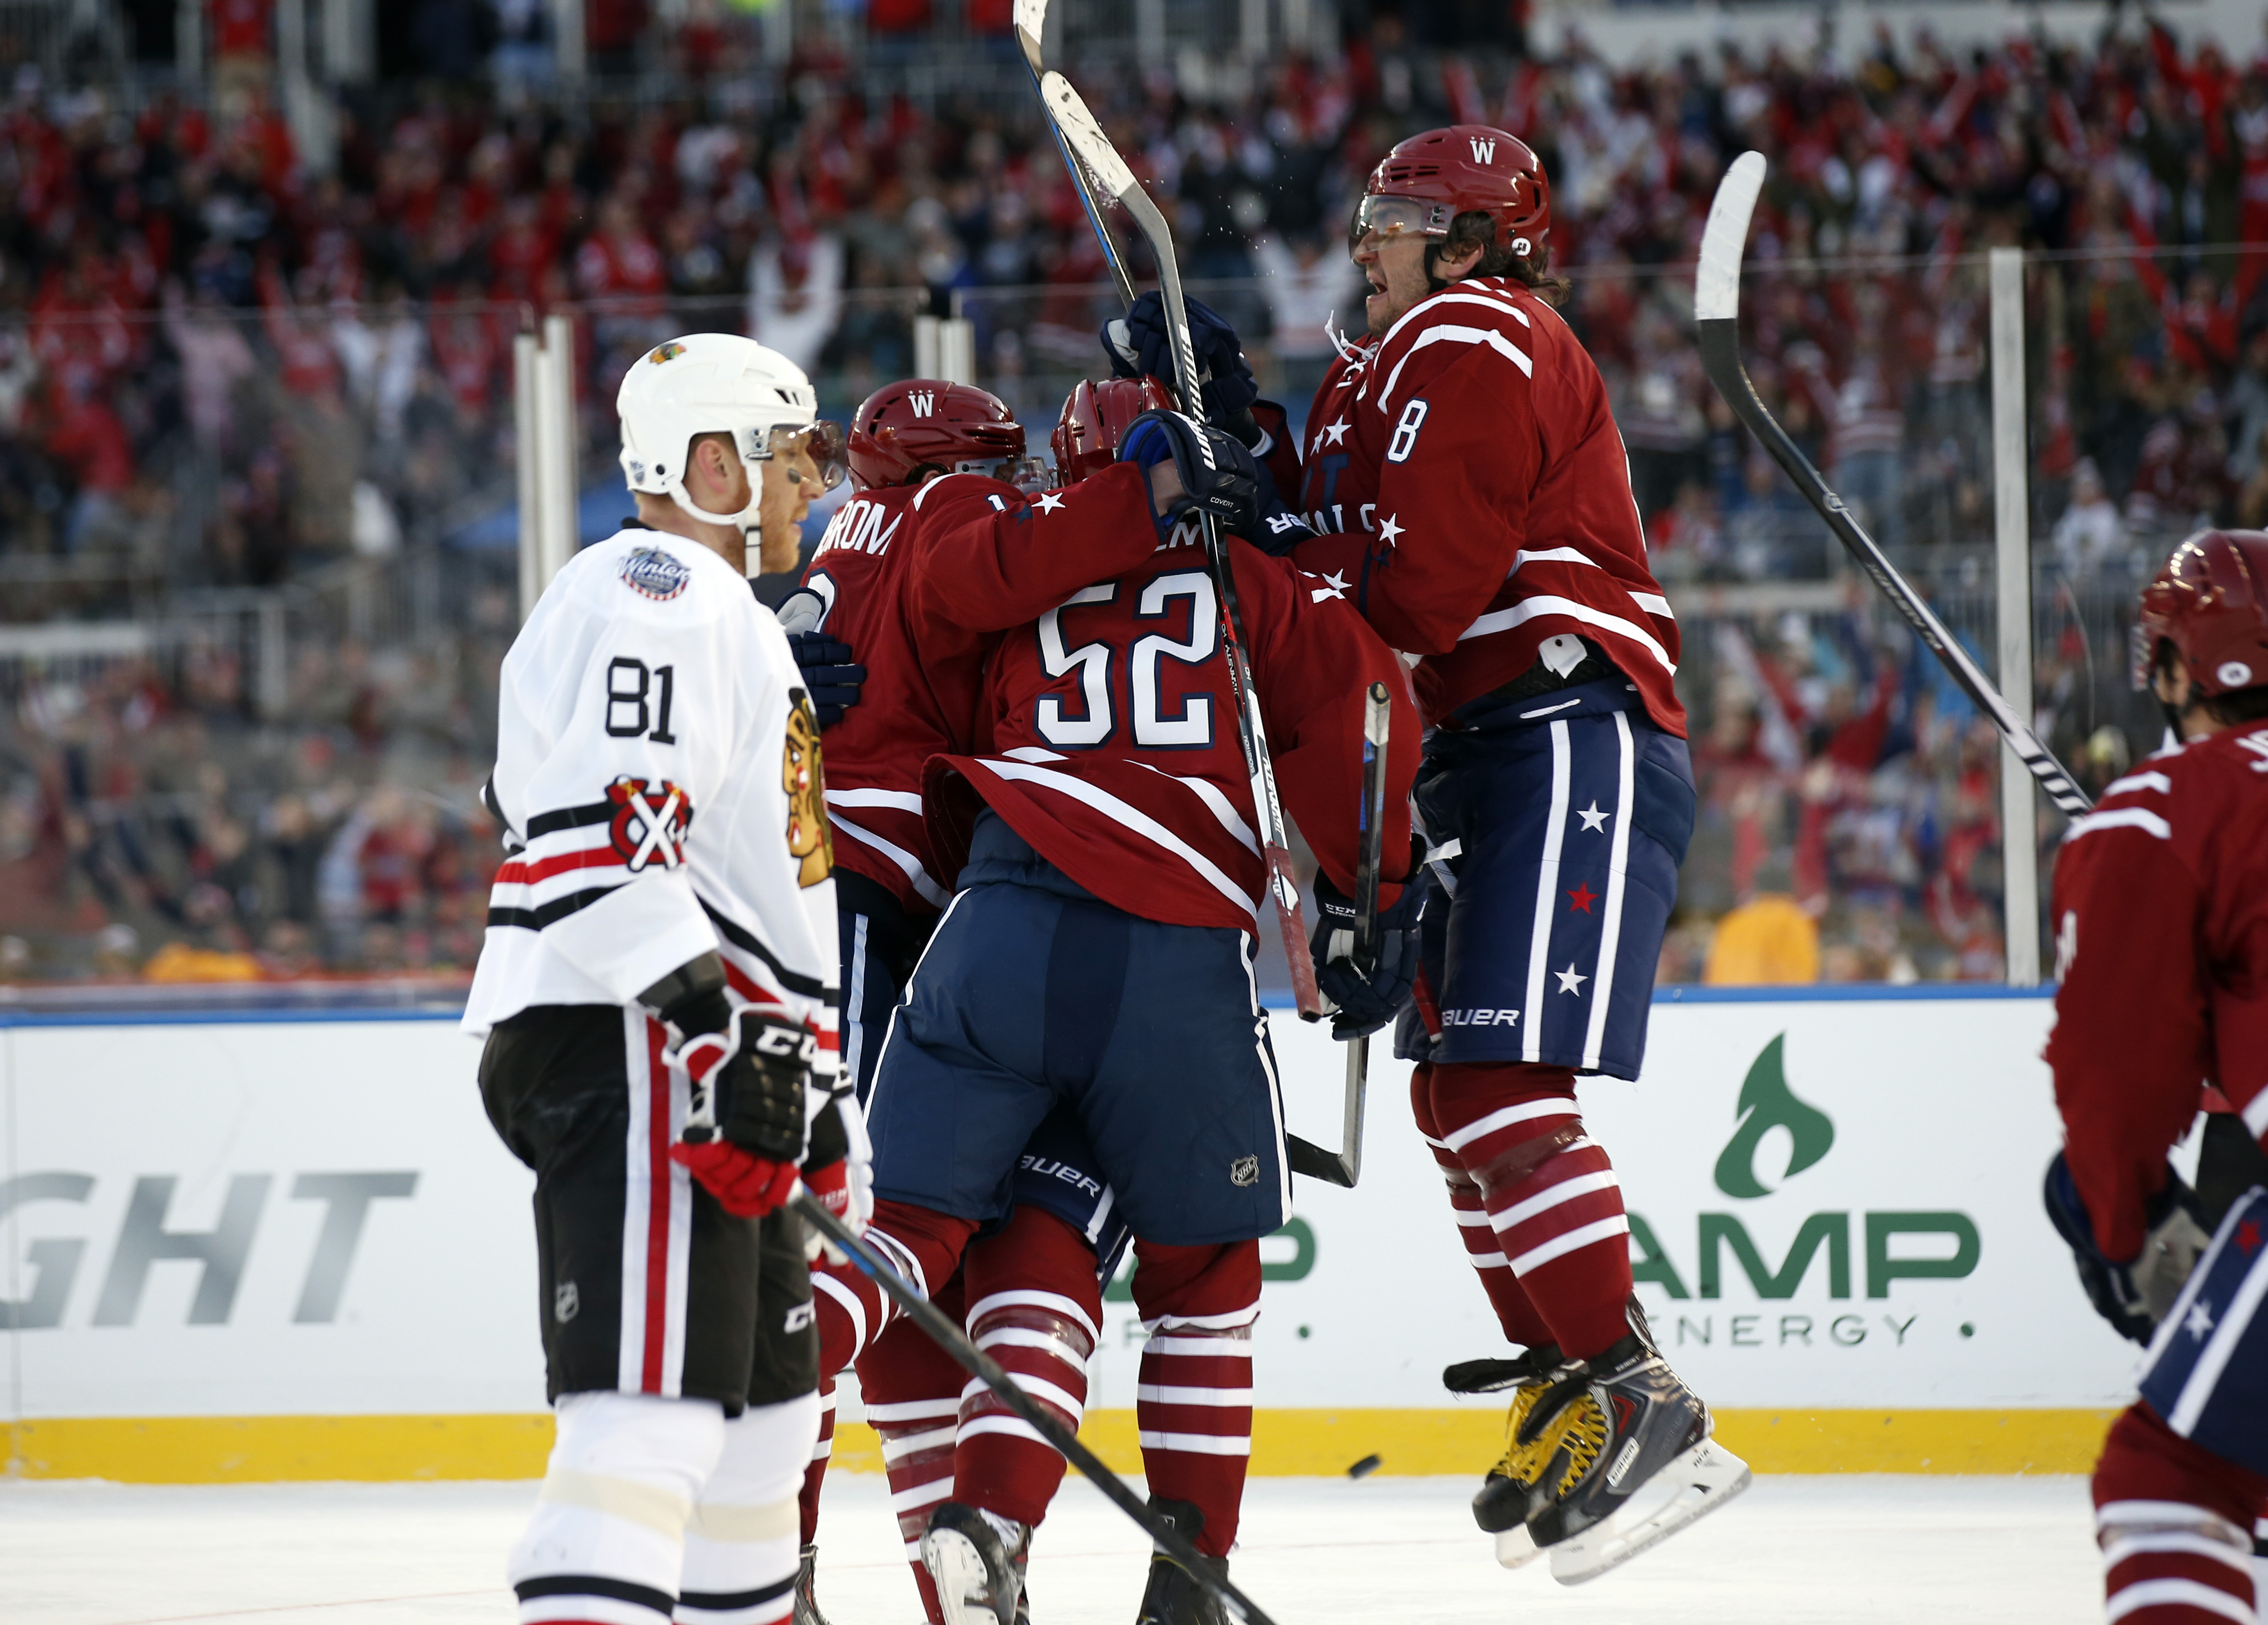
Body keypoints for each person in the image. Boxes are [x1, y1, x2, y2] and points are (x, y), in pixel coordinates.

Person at [1100, 124, 1744, 1579]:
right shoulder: (1377, 370)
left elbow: (1414, 595)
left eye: (1396, 220)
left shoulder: (1482, 333)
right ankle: (1583, 1377)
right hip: (1481, 744)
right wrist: (1210, 402)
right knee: (1456, 1092)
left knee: (1500, 1083)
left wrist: (1261, 529)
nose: (1364, 241)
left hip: (1561, 717)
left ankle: (1634, 1389)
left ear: (1466, 241)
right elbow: (1322, 534)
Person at [801, 398, 1424, 1625]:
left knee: (909, 1236)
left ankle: (748, 1411)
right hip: (1174, 957)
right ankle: (1182, 1568)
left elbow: (968, 603)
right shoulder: (1251, 578)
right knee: (1199, 1274)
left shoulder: (1015, 554)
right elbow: (1362, 714)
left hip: (992, 928)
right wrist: (1373, 893)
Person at [464, 333, 870, 1625]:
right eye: (787, 451)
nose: (813, 481)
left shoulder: (711, 615)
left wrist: (810, 1089)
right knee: (646, 1431)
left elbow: (737, 874)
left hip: (709, 1053)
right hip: (642, 1039)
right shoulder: (661, 585)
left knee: (759, 1445)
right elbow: (598, 833)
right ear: (707, 464)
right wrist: (717, 1040)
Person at [2041, 528, 2268, 1625]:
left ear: (2177, 667)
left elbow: (2112, 1078)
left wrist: (2125, 1227)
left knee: (2168, 1477)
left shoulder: (2167, 805)